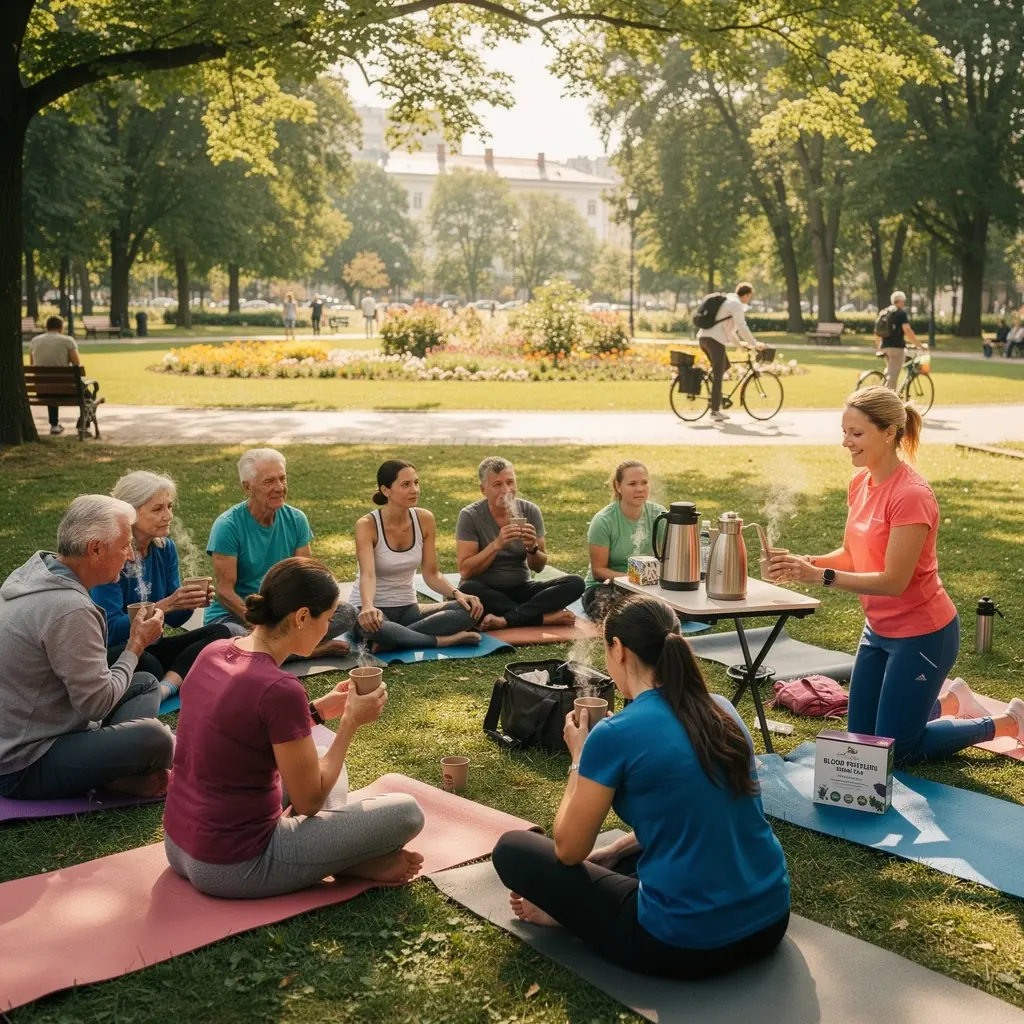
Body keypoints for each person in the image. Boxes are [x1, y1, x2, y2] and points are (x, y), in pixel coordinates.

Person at [491, 594, 791, 979]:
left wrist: (579, 758)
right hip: (769, 921)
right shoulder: (722, 708)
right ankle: (603, 882)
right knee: (622, 858)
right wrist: (614, 851)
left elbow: (568, 850)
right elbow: (697, 812)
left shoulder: (614, 734)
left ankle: (564, 913)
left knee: (513, 849)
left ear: (618, 649)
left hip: (684, 944)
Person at [769, 386, 1024, 763]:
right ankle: (952, 701)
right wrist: (803, 562)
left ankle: (1007, 722)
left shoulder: (911, 495)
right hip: (877, 631)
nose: (846, 442)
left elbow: (894, 581)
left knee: (894, 750)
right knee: (861, 740)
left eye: (856, 433)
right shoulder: (860, 483)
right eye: (844, 431)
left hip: (923, 634)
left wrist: (820, 576)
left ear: (888, 433)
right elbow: (851, 554)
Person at [163, 557, 425, 898]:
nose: (328, 629)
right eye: (327, 619)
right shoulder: (280, 689)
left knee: (321, 754)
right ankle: (343, 860)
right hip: (236, 864)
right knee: (407, 812)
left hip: (178, 844)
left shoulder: (213, 652)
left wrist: (316, 711)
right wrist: (349, 722)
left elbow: (240, 730)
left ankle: (335, 858)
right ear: (301, 617)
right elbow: (310, 800)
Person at [0, 495, 174, 800]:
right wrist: (135, 645)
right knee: (158, 739)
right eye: (125, 546)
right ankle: (112, 776)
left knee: (145, 683)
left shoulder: (35, 572)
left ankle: (111, 773)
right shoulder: (70, 608)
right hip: (23, 762)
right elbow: (97, 705)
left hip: (45, 723)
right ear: (95, 549)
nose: (130, 557)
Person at [90, 471, 232, 703]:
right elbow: (111, 630)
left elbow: (175, 621)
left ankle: (165, 688)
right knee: (150, 664)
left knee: (220, 633)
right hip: (119, 652)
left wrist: (188, 603)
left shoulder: (165, 548)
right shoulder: (112, 554)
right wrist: (166, 605)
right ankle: (170, 679)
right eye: (157, 509)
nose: (168, 516)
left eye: (169, 506)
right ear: (130, 513)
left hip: (152, 647)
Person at [204, 448, 357, 655]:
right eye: (269, 481)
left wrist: (300, 616)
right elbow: (224, 592)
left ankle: (280, 649)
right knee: (232, 635)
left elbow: (307, 579)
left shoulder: (296, 519)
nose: (279, 487)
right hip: (239, 617)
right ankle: (306, 651)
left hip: (283, 615)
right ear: (247, 487)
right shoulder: (227, 526)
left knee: (347, 612)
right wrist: (262, 627)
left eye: (282, 478)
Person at [353, 460, 484, 652]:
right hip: (373, 610)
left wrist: (457, 593)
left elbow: (432, 574)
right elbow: (368, 575)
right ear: (385, 490)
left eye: (416, 483)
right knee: (374, 627)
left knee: (468, 610)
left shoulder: (425, 519)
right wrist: (367, 607)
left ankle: (394, 639)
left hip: (408, 609)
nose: (414, 490)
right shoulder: (367, 525)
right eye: (405, 485)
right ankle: (442, 641)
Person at [456, 456, 585, 630]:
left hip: (522, 588)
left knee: (576, 583)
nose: (506, 490)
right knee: (469, 589)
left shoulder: (530, 511)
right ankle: (541, 618)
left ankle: (506, 619)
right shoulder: (470, 516)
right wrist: (496, 545)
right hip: (486, 590)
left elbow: (538, 567)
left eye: (510, 482)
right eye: (497, 485)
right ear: (483, 489)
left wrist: (532, 548)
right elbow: (466, 570)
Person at [583, 461, 666, 620]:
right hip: (607, 586)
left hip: (648, 587)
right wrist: (632, 580)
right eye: (632, 484)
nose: (640, 489)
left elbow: (669, 559)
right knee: (619, 614)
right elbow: (599, 571)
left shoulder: (659, 515)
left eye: (644, 483)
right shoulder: (603, 521)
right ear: (618, 486)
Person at [695, 282, 763, 423]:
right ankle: (715, 411)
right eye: (749, 297)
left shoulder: (727, 300)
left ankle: (716, 395)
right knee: (718, 374)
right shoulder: (736, 304)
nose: (748, 300)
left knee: (725, 366)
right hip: (715, 340)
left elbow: (729, 331)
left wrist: (739, 345)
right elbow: (742, 326)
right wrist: (755, 344)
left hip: (704, 338)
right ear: (746, 295)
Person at [28, 314, 79, 435]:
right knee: (88, 393)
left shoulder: (34, 341)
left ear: (47, 327)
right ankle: (84, 423)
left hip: (41, 389)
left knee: (50, 383)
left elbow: (32, 364)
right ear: (61, 327)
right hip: (65, 390)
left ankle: (54, 425)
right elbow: (77, 364)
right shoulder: (68, 341)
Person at [875, 290, 919, 390]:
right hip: (897, 347)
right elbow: (907, 330)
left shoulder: (885, 312)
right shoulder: (901, 313)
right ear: (901, 301)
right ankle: (888, 397)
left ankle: (883, 388)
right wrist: (918, 344)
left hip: (885, 346)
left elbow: (877, 331)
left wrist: (878, 345)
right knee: (893, 376)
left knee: (890, 370)